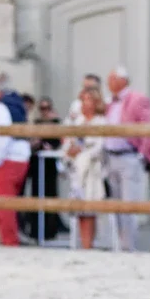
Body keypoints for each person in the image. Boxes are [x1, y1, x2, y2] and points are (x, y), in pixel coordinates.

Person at [99, 68, 150, 252]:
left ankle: (129, 246)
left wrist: (142, 154)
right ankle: (117, 245)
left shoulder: (137, 98)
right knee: (114, 204)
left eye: (112, 79)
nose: (108, 83)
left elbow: (147, 126)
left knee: (129, 204)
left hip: (129, 156)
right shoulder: (109, 102)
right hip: (110, 156)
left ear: (122, 81)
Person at [0, 73, 32, 247]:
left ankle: (9, 241)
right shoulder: (19, 104)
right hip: (21, 158)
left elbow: (1, 137)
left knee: (3, 205)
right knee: (11, 203)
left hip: (6, 160)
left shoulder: (2, 107)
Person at [62, 86, 109, 250]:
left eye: (88, 99)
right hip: (77, 170)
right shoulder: (77, 121)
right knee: (79, 209)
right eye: (82, 99)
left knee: (90, 209)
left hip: (93, 170)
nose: (84, 103)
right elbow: (68, 142)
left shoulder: (101, 121)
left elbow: (100, 147)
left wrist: (82, 153)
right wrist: (69, 152)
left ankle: (89, 244)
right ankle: (83, 243)